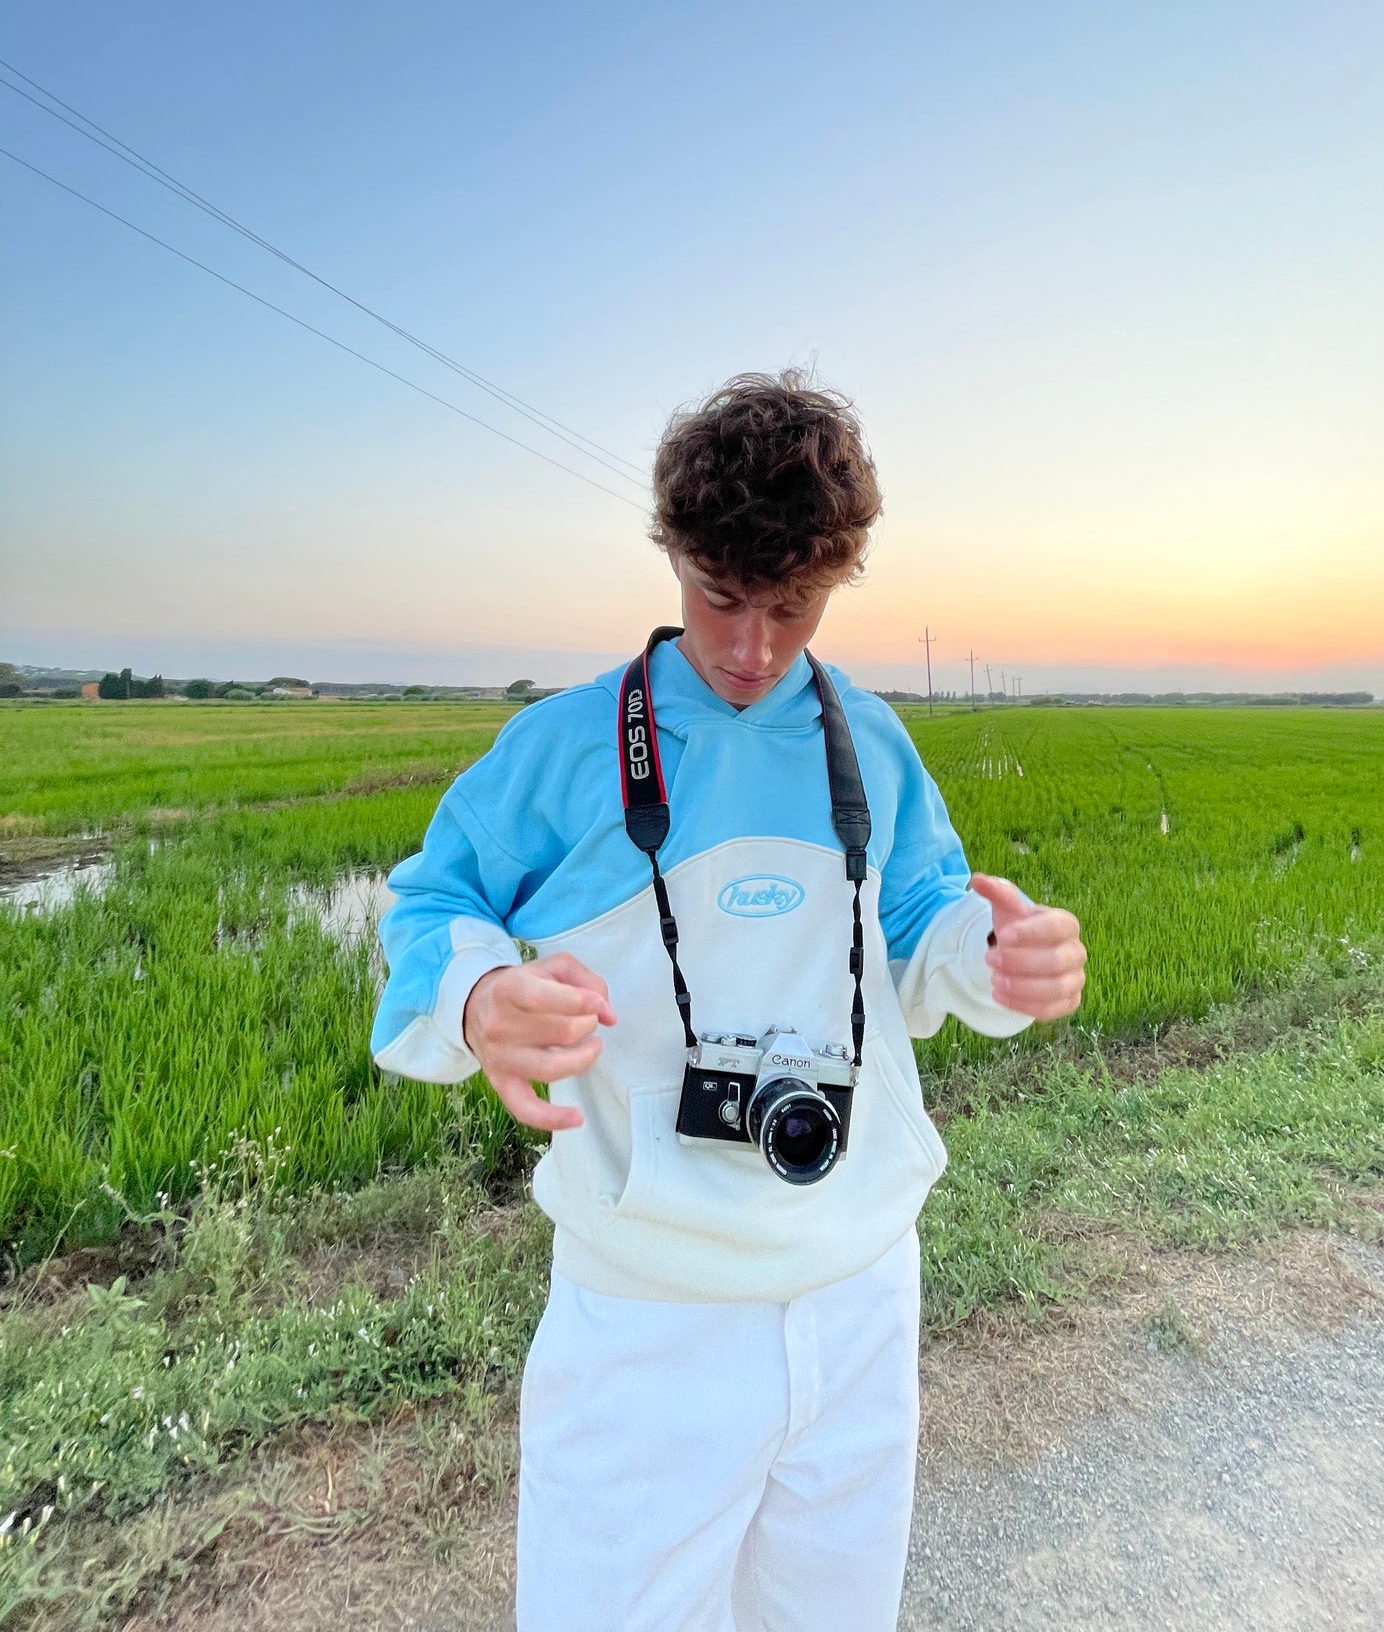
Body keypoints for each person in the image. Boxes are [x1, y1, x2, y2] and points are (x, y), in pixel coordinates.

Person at [371, 372, 1085, 1632]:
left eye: (791, 608)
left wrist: (995, 955)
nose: (752, 649)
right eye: (720, 597)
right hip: (645, 1318)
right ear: (672, 553)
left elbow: (922, 923)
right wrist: (479, 994)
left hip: (861, 1289)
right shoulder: (565, 743)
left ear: (837, 579)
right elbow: (429, 905)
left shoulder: (869, 741)